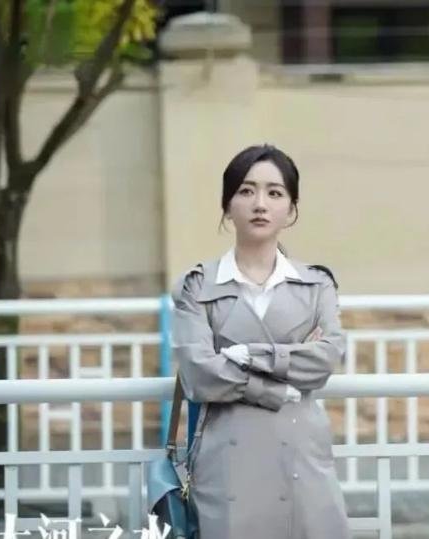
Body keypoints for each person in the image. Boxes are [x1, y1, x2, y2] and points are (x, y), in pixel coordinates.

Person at [171, 144, 350, 538]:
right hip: (227, 462)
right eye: (246, 191)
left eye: (275, 192)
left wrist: (243, 355)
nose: (260, 204)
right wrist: (276, 386)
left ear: (291, 209)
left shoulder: (316, 284)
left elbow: (325, 358)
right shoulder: (197, 285)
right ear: (227, 205)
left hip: (302, 456)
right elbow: (199, 374)